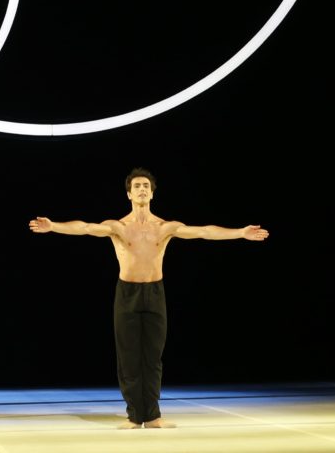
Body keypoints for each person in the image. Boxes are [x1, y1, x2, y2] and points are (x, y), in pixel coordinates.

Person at [29, 167, 269, 430]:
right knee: (129, 357)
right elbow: (85, 228)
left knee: (153, 357)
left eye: (146, 186)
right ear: (129, 194)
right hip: (127, 293)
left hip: (155, 292)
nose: (142, 189)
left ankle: (153, 416)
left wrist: (240, 232)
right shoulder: (117, 226)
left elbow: (204, 231)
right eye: (137, 186)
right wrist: (53, 226)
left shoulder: (165, 227)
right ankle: (134, 415)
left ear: (152, 194)